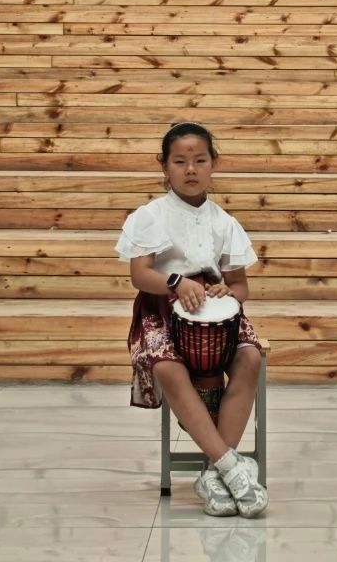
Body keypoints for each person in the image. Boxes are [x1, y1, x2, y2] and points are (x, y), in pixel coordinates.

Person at [116, 121, 269, 518]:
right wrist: (176, 282)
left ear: (213, 164)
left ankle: (214, 475)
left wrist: (226, 293)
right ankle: (231, 467)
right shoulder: (150, 215)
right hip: (160, 309)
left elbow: (241, 286)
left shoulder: (225, 222)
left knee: (250, 357)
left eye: (200, 160)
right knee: (166, 366)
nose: (190, 169)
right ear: (164, 166)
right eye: (180, 161)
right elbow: (139, 275)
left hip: (213, 314)